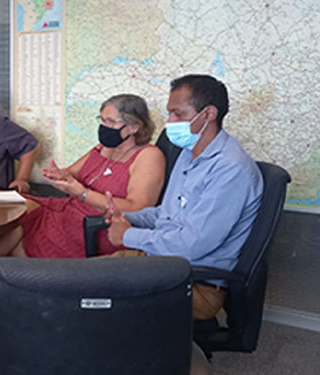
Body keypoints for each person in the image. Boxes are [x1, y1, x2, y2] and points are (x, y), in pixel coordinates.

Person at [0, 94, 166, 294]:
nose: (104, 127)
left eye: (111, 122)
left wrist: (83, 193)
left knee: (18, 236)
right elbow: (71, 173)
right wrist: (58, 175)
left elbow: (138, 207)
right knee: (19, 206)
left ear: (134, 127)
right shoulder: (106, 146)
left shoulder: (149, 156)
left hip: (99, 226)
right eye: (102, 120)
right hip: (71, 210)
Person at [105, 74, 263, 320]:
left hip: (195, 283)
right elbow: (165, 213)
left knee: (93, 300)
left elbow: (192, 245)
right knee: (75, 282)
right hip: (160, 263)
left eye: (178, 114)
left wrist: (127, 235)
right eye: (170, 113)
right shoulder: (188, 154)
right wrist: (127, 217)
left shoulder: (231, 169)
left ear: (209, 114)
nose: (169, 122)